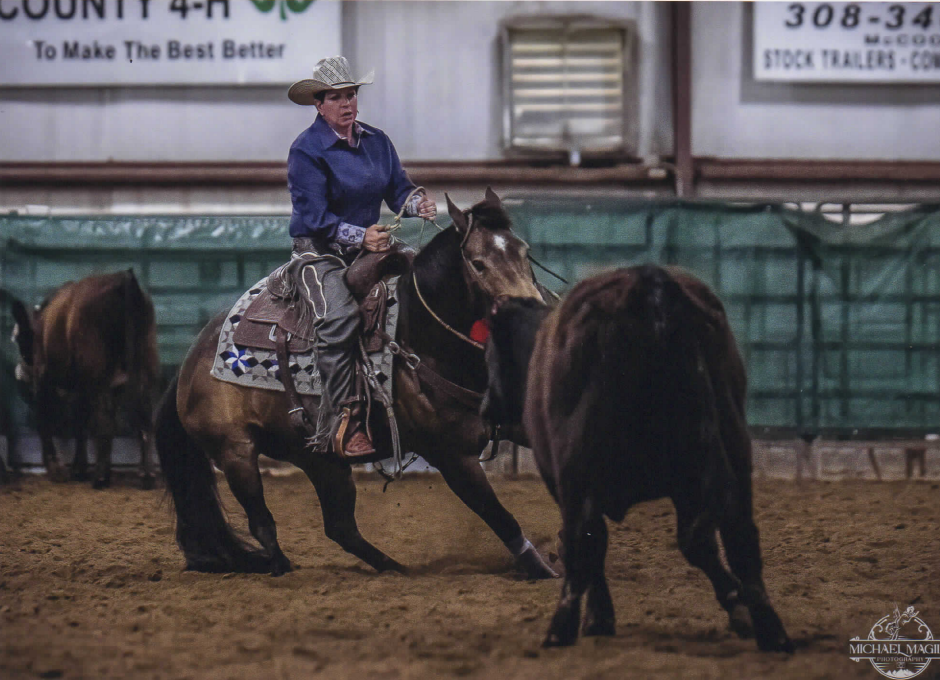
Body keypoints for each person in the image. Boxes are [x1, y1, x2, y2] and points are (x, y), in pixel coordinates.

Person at [285, 55, 437, 457]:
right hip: (319, 255)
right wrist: (359, 235)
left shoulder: (376, 140)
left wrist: (416, 200)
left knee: (426, 278)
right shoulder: (306, 150)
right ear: (319, 104)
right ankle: (342, 419)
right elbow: (313, 217)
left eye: (350, 95)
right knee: (338, 319)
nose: (346, 104)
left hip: (369, 247)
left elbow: (398, 188)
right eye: (335, 97)